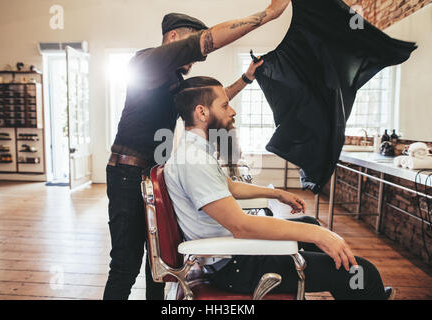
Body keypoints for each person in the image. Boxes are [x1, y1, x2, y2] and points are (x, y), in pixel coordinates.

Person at [104, 0, 294, 300]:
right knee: (125, 264)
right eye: (191, 48)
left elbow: (207, 104)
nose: (194, 60)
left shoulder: (173, 80)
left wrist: (246, 78)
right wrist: (266, 16)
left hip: (151, 173)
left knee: (161, 262)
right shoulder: (147, 62)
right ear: (175, 38)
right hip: (128, 173)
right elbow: (205, 43)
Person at [164, 76, 395, 300]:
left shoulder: (195, 152)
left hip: (233, 256)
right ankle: (354, 285)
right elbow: (241, 226)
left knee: (309, 224)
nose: (232, 111)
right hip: (236, 268)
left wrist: (276, 194)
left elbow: (229, 187)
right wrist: (322, 234)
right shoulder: (193, 160)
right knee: (362, 271)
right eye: (225, 105)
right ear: (202, 112)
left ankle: (350, 288)